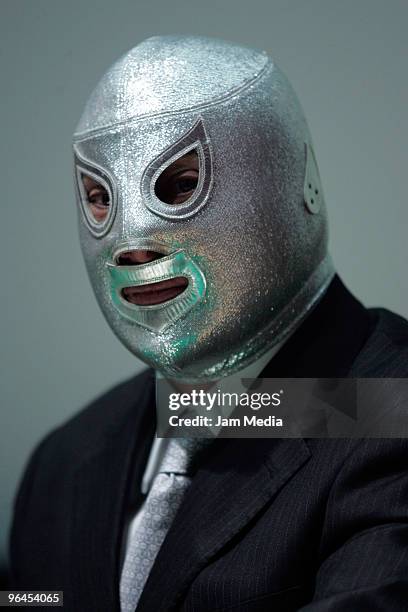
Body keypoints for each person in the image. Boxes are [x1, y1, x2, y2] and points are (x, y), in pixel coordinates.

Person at [9, 35, 408, 611]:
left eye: (179, 185)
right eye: (100, 197)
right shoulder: (64, 462)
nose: (132, 246)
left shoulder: (389, 406)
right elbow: (31, 601)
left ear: (300, 180)